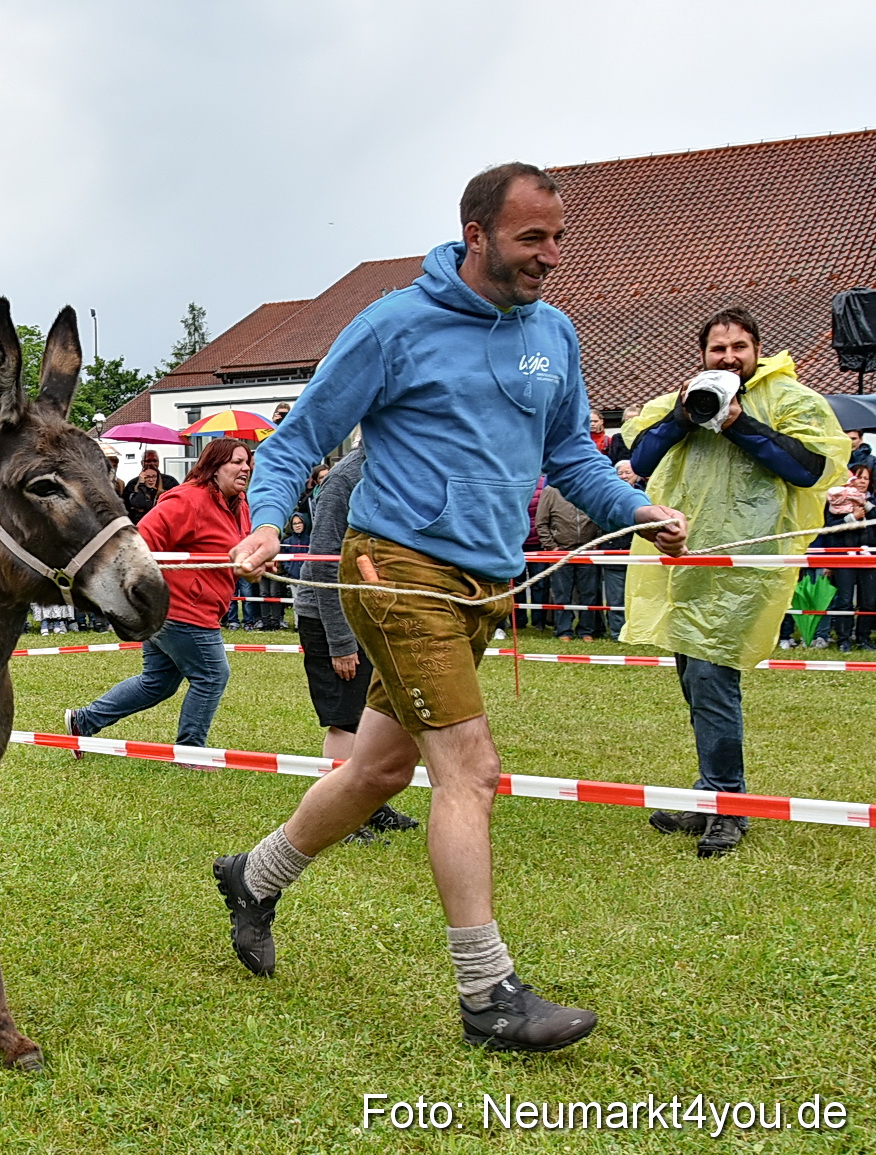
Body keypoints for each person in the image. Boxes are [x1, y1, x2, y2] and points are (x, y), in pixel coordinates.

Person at [218, 163, 686, 1052]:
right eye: (530, 239)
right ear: (476, 233)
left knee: (378, 772)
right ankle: (488, 994)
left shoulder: (555, 333)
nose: (551, 256)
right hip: (396, 572)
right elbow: (298, 438)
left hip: (483, 585)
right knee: (468, 769)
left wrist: (636, 511)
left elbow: (572, 457)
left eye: (557, 238)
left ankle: (254, 876)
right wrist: (269, 521)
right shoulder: (394, 324)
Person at [627, 306, 848, 857]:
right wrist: (684, 416)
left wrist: (736, 422)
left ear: (757, 351)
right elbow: (641, 456)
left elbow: (809, 468)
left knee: (711, 677)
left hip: (745, 567)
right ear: (702, 353)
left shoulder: (790, 400)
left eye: (739, 348)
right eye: (717, 349)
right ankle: (710, 794)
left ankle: (727, 805)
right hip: (685, 562)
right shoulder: (684, 397)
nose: (728, 358)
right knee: (695, 679)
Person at [65, 438, 252, 751]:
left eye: (247, 462)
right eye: (236, 461)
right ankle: (191, 750)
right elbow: (142, 542)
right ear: (214, 467)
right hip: (179, 610)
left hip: (197, 608)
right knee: (212, 675)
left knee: (157, 683)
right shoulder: (188, 500)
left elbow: (240, 545)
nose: (245, 467)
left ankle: (84, 721)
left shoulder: (239, 504)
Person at [288, 447, 419, 836]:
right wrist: (341, 643)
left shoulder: (397, 466)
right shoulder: (344, 479)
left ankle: (368, 805)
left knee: (372, 715)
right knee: (345, 720)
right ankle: (339, 816)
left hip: (371, 611)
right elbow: (324, 565)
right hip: (330, 616)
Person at [535, 482, 602, 640]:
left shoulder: (591, 488)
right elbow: (541, 522)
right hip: (561, 552)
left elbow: (600, 518)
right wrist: (552, 547)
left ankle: (587, 630)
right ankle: (563, 630)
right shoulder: (551, 491)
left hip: (587, 551)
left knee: (589, 593)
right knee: (561, 593)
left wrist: (597, 542)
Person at [823, 463, 875, 650]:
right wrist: (852, 517)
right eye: (859, 477)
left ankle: (864, 638)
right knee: (845, 600)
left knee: (869, 601)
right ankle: (843, 640)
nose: (862, 482)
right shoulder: (836, 500)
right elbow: (829, 526)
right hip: (843, 555)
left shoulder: (872, 502)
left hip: (868, 556)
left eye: (866, 478)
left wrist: (866, 506)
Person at [603, 460, 645, 638]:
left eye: (628, 472)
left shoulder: (645, 495)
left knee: (639, 596)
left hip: (639, 554)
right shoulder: (607, 496)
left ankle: (638, 632)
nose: (624, 476)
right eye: (620, 473)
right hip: (614, 551)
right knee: (615, 597)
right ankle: (617, 632)